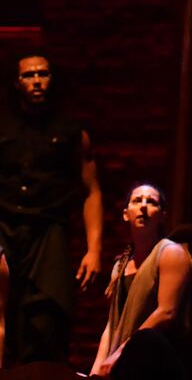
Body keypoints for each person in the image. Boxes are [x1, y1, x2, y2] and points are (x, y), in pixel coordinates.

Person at [0, 52, 103, 366]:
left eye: (42, 74)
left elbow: (91, 190)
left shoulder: (71, 132)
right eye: (28, 75)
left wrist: (94, 250)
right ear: (16, 83)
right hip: (4, 228)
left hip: (49, 231)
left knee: (46, 320)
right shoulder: (3, 127)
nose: (36, 82)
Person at [90, 182, 192, 378]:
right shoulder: (120, 265)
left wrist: (121, 352)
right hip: (126, 361)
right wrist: (95, 371)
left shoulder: (171, 252)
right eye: (137, 201)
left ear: (162, 215)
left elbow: (166, 312)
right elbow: (113, 325)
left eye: (151, 202)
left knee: (147, 343)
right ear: (126, 214)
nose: (143, 206)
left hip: (157, 362)